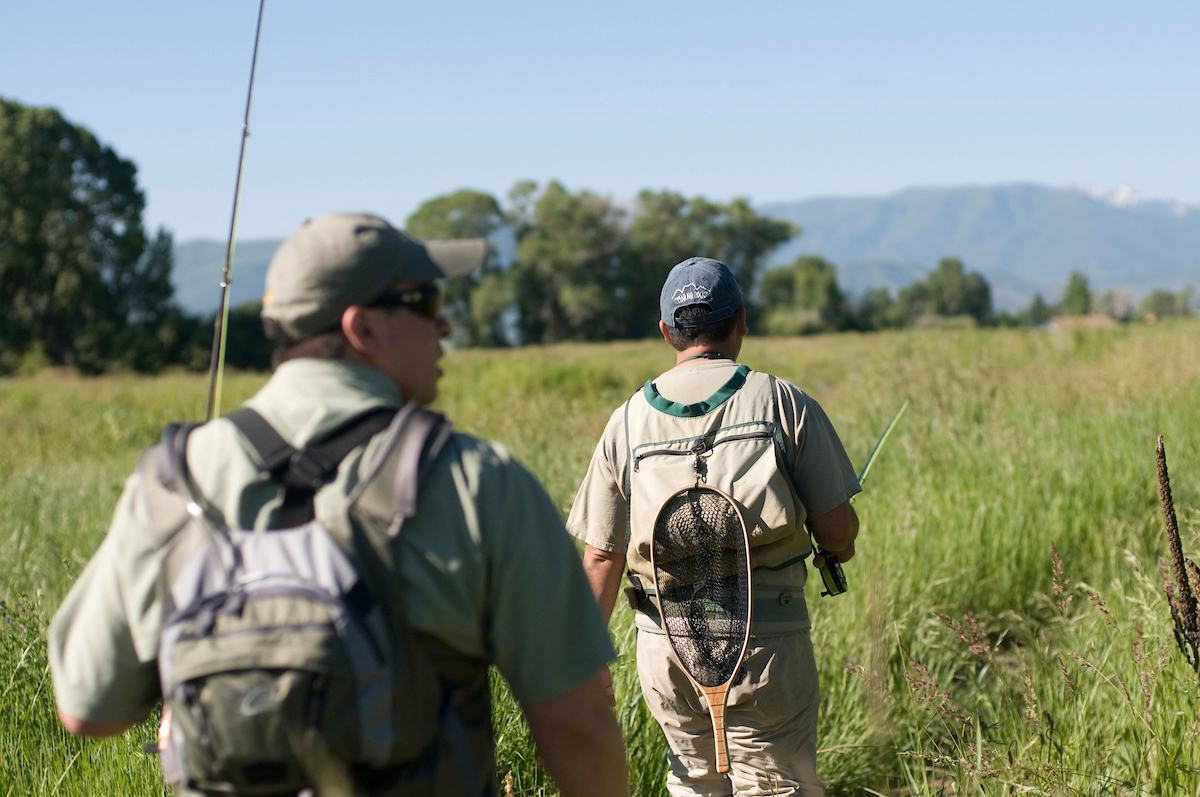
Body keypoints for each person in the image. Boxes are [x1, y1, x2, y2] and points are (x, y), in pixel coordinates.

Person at [49, 212, 629, 797]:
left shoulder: (171, 483)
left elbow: (87, 711)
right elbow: (578, 728)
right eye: (424, 302)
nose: (445, 325)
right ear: (362, 328)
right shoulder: (479, 481)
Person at [567, 257, 860, 797]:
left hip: (664, 643)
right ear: (741, 321)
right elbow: (838, 528)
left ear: (666, 332)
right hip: (766, 639)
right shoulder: (783, 402)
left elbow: (601, 557)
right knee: (776, 786)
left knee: (694, 782)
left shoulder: (627, 419)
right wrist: (835, 546)